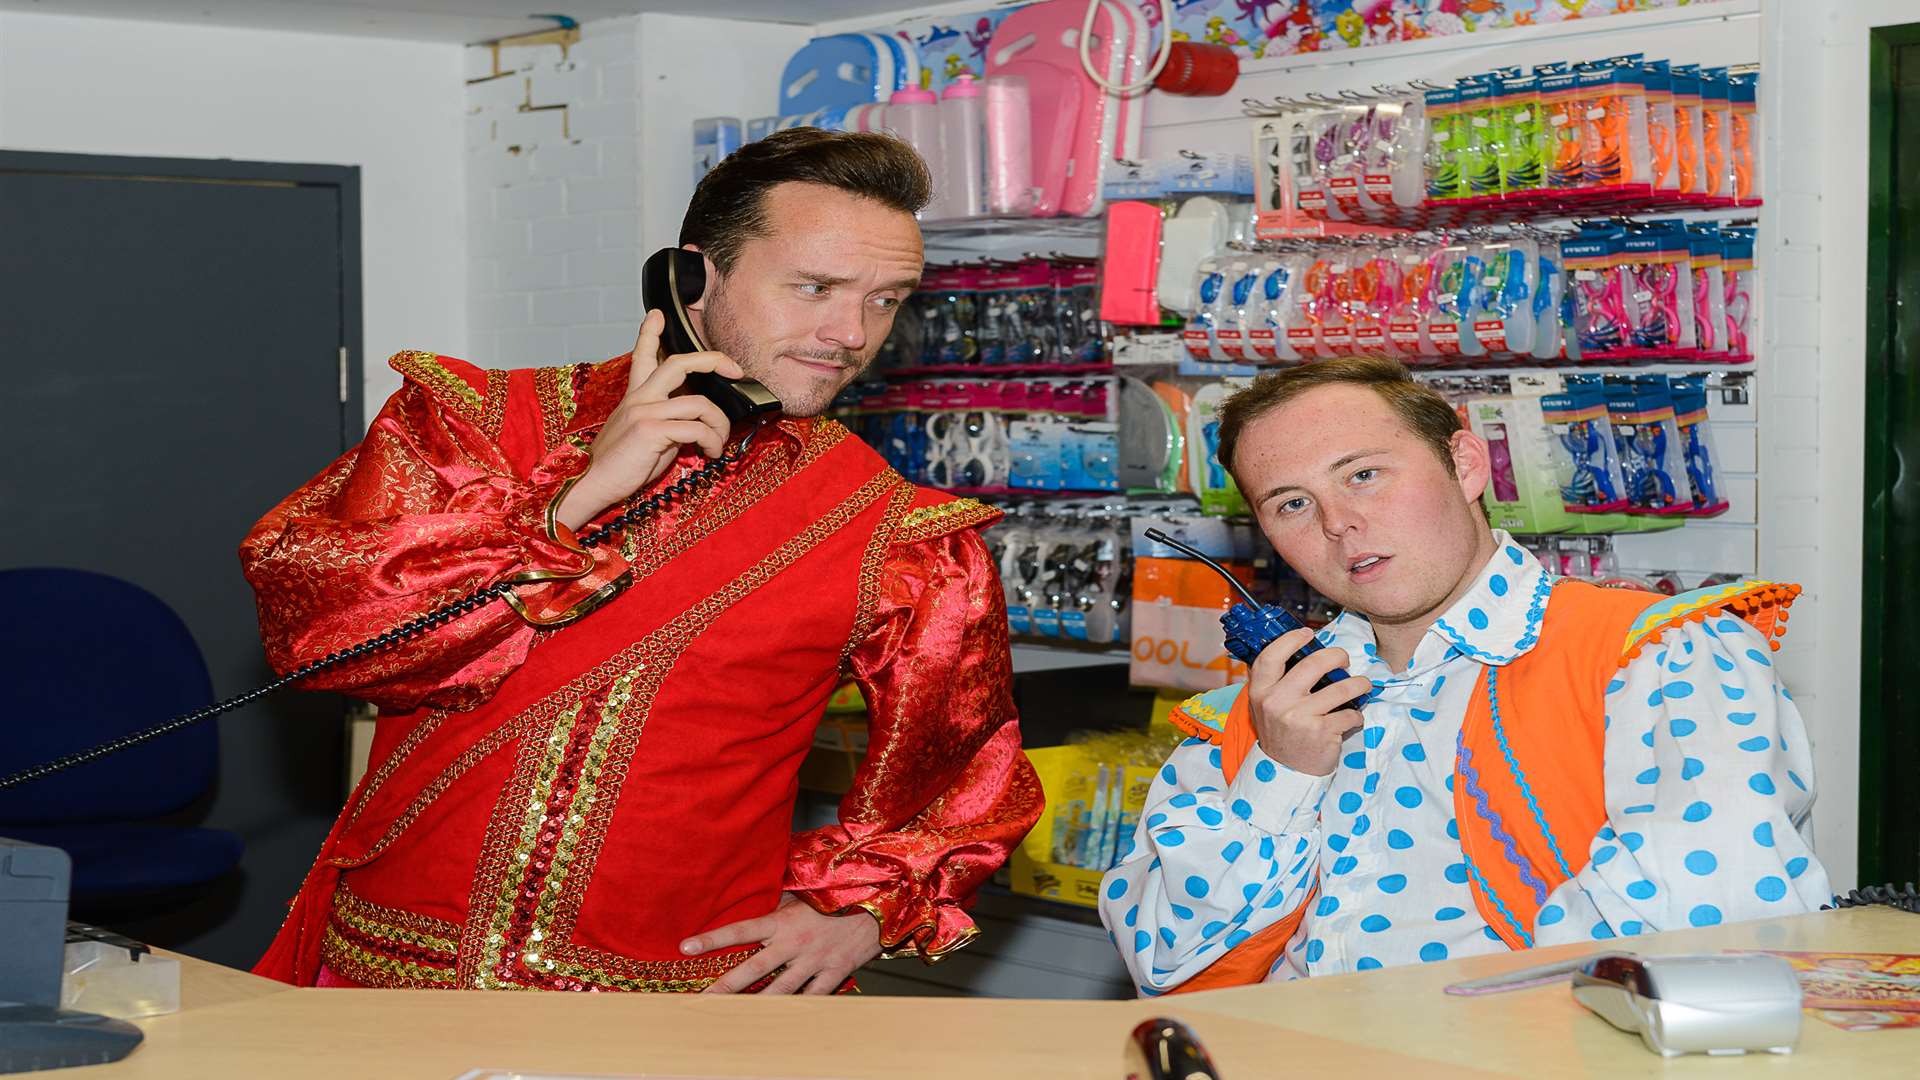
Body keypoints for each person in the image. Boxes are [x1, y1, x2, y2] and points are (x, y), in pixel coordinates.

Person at [242, 129, 1041, 994]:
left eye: (887, 299)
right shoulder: (474, 425)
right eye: (815, 287)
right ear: (693, 277)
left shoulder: (902, 534)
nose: (851, 332)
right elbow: (321, 636)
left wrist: (855, 913)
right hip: (395, 981)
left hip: (677, 1005)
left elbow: (963, 773)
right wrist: (568, 505)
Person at [1099, 357, 1826, 994]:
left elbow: (1703, 933)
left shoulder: (1658, 654)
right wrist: (1281, 775)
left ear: (1468, 465)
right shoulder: (1253, 716)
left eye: (1364, 474)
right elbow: (1166, 965)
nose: (1338, 523)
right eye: (1292, 503)